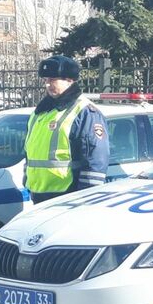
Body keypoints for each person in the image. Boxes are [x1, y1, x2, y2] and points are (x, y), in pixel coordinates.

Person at [25, 55, 109, 204]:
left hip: (68, 195)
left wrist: (86, 198)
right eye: (45, 80)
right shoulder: (40, 112)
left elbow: (94, 158)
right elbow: (31, 152)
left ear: (69, 80)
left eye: (52, 80)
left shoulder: (84, 111)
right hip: (39, 194)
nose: (47, 85)